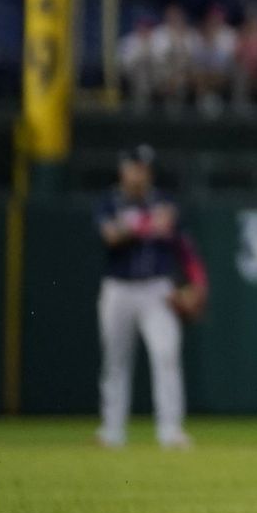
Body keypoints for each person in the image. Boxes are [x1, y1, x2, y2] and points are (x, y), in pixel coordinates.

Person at [94, 145, 194, 449]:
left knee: (166, 354)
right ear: (124, 170)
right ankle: (112, 430)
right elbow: (110, 236)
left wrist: (189, 284)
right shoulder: (109, 201)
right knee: (116, 360)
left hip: (156, 288)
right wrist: (145, 224)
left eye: (144, 168)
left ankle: (170, 429)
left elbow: (178, 239)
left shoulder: (163, 200)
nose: (140, 173)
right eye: (135, 167)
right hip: (119, 287)